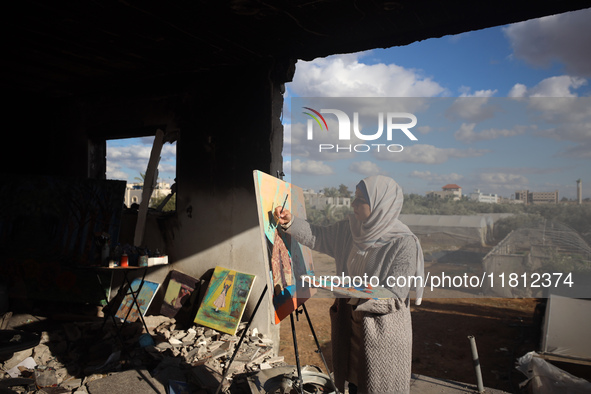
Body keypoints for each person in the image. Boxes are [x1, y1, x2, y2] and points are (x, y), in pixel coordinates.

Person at [274, 175, 424, 394]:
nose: (353, 204)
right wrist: (290, 222)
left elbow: (395, 295)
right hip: (350, 324)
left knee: (377, 386)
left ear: (381, 204)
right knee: (353, 382)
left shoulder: (403, 242)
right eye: (354, 198)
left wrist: (349, 289)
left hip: (382, 333)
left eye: (360, 200)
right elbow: (318, 236)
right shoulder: (350, 229)